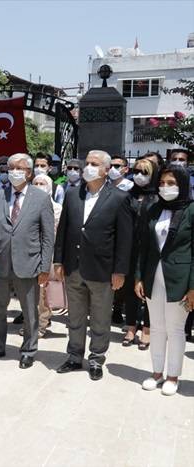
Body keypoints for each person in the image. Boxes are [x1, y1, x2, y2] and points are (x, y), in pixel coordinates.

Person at [54, 150, 133, 380]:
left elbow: (124, 239)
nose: (88, 167)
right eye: (87, 163)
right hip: (74, 266)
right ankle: (74, 356)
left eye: (94, 164)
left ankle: (97, 359)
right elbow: (64, 231)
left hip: (102, 269)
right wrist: (58, 260)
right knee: (75, 317)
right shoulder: (72, 194)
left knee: (99, 318)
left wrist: (120, 271)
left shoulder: (119, 198)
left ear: (107, 170)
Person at [0, 153, 55, 369]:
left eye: (19, 168)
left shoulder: (41, 198)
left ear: (29, 173)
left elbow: (47, 237)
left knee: (30, 311)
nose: (13, 171)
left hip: (29, 264)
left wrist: (44, 267)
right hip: (0, 263)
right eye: (11, 167)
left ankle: (29, 350)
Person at [135, 165, 193, 396]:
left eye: (171, 183)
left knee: (175, 328)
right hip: (152, 276)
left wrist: (192, 287)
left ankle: (173, 375)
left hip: (179, 278)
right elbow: (144, 247)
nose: (165, 188)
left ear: (182, 185)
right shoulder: (152, 208)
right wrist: (139, 276)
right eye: (162, 183)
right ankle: (157, 373)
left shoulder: (190, 210)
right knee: (157, 327)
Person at [120, 158, 159, 348]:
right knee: (130, 290)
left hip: (151, 251)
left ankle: (147, 329)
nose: (139, 176)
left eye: (145, 172)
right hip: (130, 249)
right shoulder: (128, 195)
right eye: (136, 171)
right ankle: (130, 327)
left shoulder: (159, 197)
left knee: (148, 290)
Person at [31, 174, 63, 337]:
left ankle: (41, 324)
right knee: (31, 291)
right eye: (35, 183)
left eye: (42, 183)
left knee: (44, 290)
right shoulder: (26, 206)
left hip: (48, 254)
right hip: (30, 253)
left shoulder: (56, 208)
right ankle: (32, 322)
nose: (38, 186)